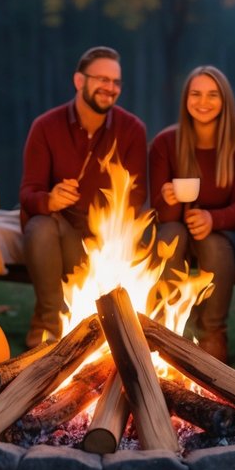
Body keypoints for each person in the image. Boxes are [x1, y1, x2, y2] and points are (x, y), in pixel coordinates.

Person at [19, 46, 147, 348]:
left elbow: (137, 196)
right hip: (62, 232)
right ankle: (48, 325)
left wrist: (106, 231)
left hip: (105, 240)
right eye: (102, 79)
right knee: (40, 226)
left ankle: (119, 331)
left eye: (116, 82)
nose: (110, 88)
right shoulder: (46, 126)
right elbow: (28, 192)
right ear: (79, 81)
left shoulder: (131, 130)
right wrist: (49, 200)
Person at [149, 65, 235, 363]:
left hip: (231, 235)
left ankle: (212, 333)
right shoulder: (166, 143)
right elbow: (163, 216)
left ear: (225, 100)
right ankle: (170, 327)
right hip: (181, 230)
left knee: (212, 242)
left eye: (212, 95)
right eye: (195, 94)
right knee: (171, 234)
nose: (203, 102)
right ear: (186, 99)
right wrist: (169, 199)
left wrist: (213, 219)